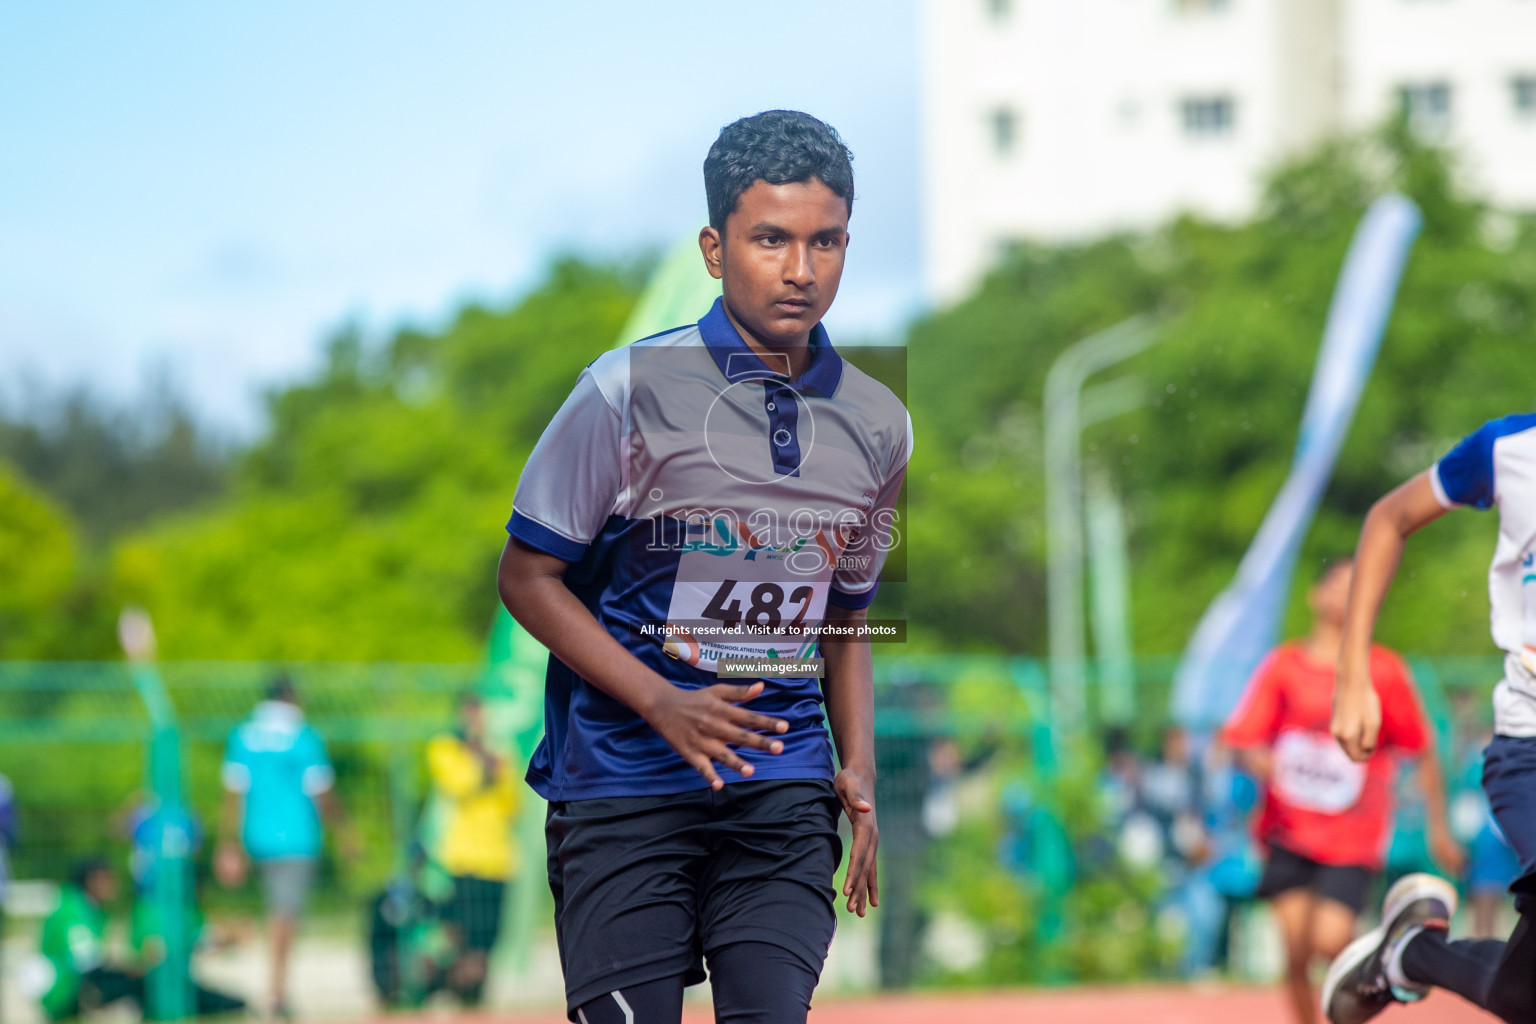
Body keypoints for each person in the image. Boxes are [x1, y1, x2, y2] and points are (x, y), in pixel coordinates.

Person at [497, 109, 910, 1023]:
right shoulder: (623, 390)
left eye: (826, 241)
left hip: (782, 784)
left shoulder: (883, 422)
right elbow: (526, 578)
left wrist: (861, 769)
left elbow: (846, 618)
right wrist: (661, 700)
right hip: (621, 783)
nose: (802, 270)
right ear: (715, 249)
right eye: (771, 240)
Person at [1326, 414, 1536, 1024]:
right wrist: (1353, 673)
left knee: (1525, 998)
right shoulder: (1510, 450)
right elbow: (1389, 518)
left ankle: (1411, 953)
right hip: (1530, 749)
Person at [1222, 557, 1461, 1024]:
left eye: (1359, 586)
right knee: (1293, 950)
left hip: (1353, 834)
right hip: (1287, 830)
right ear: (1316, 595)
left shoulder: (1384, 671)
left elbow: (1422, 746)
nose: (1345, 596)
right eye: (1337, 586)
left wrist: (1438, 827)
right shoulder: (1284, 667)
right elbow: (1242, 739)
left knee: (1331, 942)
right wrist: (1270, 763)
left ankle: (1368, 983)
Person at [215, 674, 354, 1019]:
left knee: (273, 912)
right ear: (292, 696)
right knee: (285, 916)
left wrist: (227, 844)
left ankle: (273, 987)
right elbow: (321, 791)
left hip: (255, 837)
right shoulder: (304, 736)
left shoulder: (243, 735)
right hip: (296, 839)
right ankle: (275, 991)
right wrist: (346, 831)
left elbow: (233, 794)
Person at [425, 691, 519, 1006]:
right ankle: (446, 988)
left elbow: (510, 799)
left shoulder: (502, 750)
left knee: (486, 941)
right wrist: (483, 760)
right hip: (461, 859)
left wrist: (486, 762)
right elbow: (462, 784)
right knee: (458, 936)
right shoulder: (444, 747)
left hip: (498, 860)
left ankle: (474, 999)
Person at [38, 859, 142, 1021]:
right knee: (137, 979)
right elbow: (85, 959)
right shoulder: (73, 910)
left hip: (68, 980)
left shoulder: (84, 906)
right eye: (108, 879)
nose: (114, 884)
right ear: (92, 880)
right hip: (64, 987)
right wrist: (125, 966)